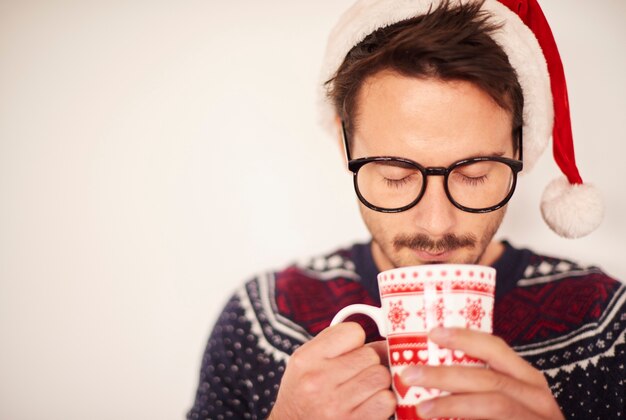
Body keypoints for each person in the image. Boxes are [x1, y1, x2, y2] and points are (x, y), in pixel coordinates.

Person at [187, 0, 625, 419]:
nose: (436, 224)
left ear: (521, 149)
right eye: (396, 175)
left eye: (474, 174)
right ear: (345, 144)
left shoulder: (605, 324)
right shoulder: (260, 320)